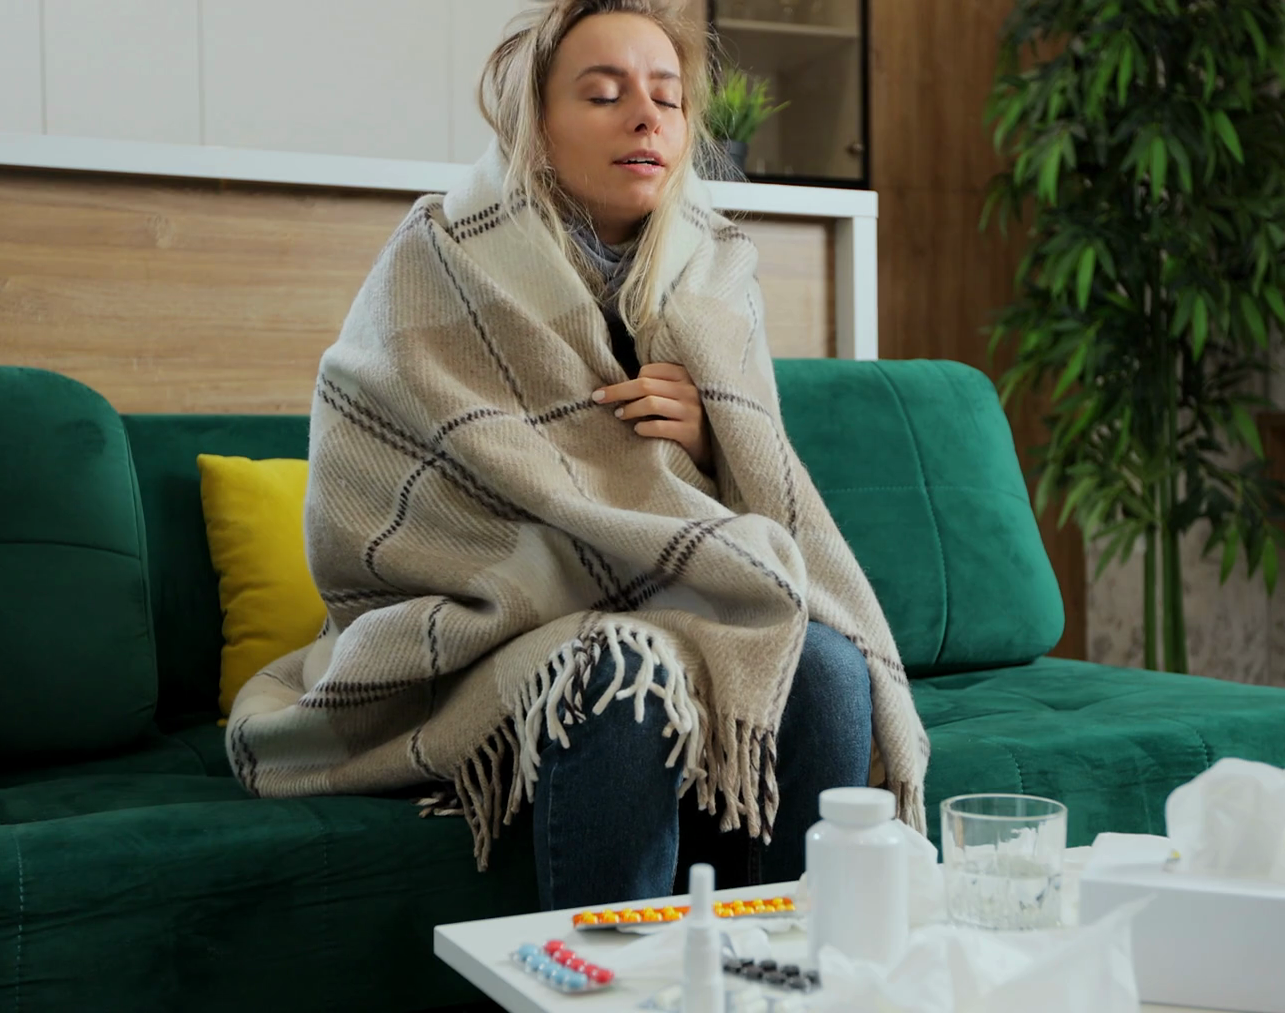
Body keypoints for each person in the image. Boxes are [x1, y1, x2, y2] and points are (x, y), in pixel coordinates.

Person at [225, 0, 929, 914]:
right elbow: (371, 494)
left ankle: (793, 956)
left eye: (668, 99)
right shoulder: (439, 257)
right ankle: (605, 969)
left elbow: (759, 485)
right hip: (492, 623)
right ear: (537, 122)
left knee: (826, 666)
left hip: (683, 593)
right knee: (620, 674)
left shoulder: (718, 269)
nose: (646, 118)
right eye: (604, 94)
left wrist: (711, 435)